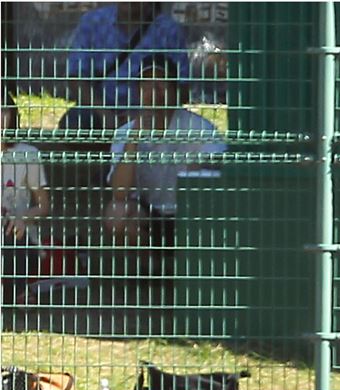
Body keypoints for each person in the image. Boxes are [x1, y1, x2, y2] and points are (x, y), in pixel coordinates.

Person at [103, 53, 226, 249]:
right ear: (138, 91)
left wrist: (199, 167)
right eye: (147, 86)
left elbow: (220, 166)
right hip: (148, 214)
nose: (154, 92)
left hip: (190, 215)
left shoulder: (197, 127)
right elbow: (119, 192)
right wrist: (134, 139)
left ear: (174, 90)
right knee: (116, 214)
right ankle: (150, 271)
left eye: (161, 85)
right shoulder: (125, 132)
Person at [61, 2, 188, 134]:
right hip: (100, 111)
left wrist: (142, 116)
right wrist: (105, 115)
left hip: (152, 114)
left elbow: (183, 88)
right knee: (74, 122)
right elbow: (76, 77)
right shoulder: (92, 22)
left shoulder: (169, 30)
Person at [1, 103, 50, 308]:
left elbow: (44, 206)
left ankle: (18, 290)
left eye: (3, 110)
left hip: (17, 238)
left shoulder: (27, 153)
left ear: (12, 115)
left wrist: (23, 218)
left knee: (12, 228)